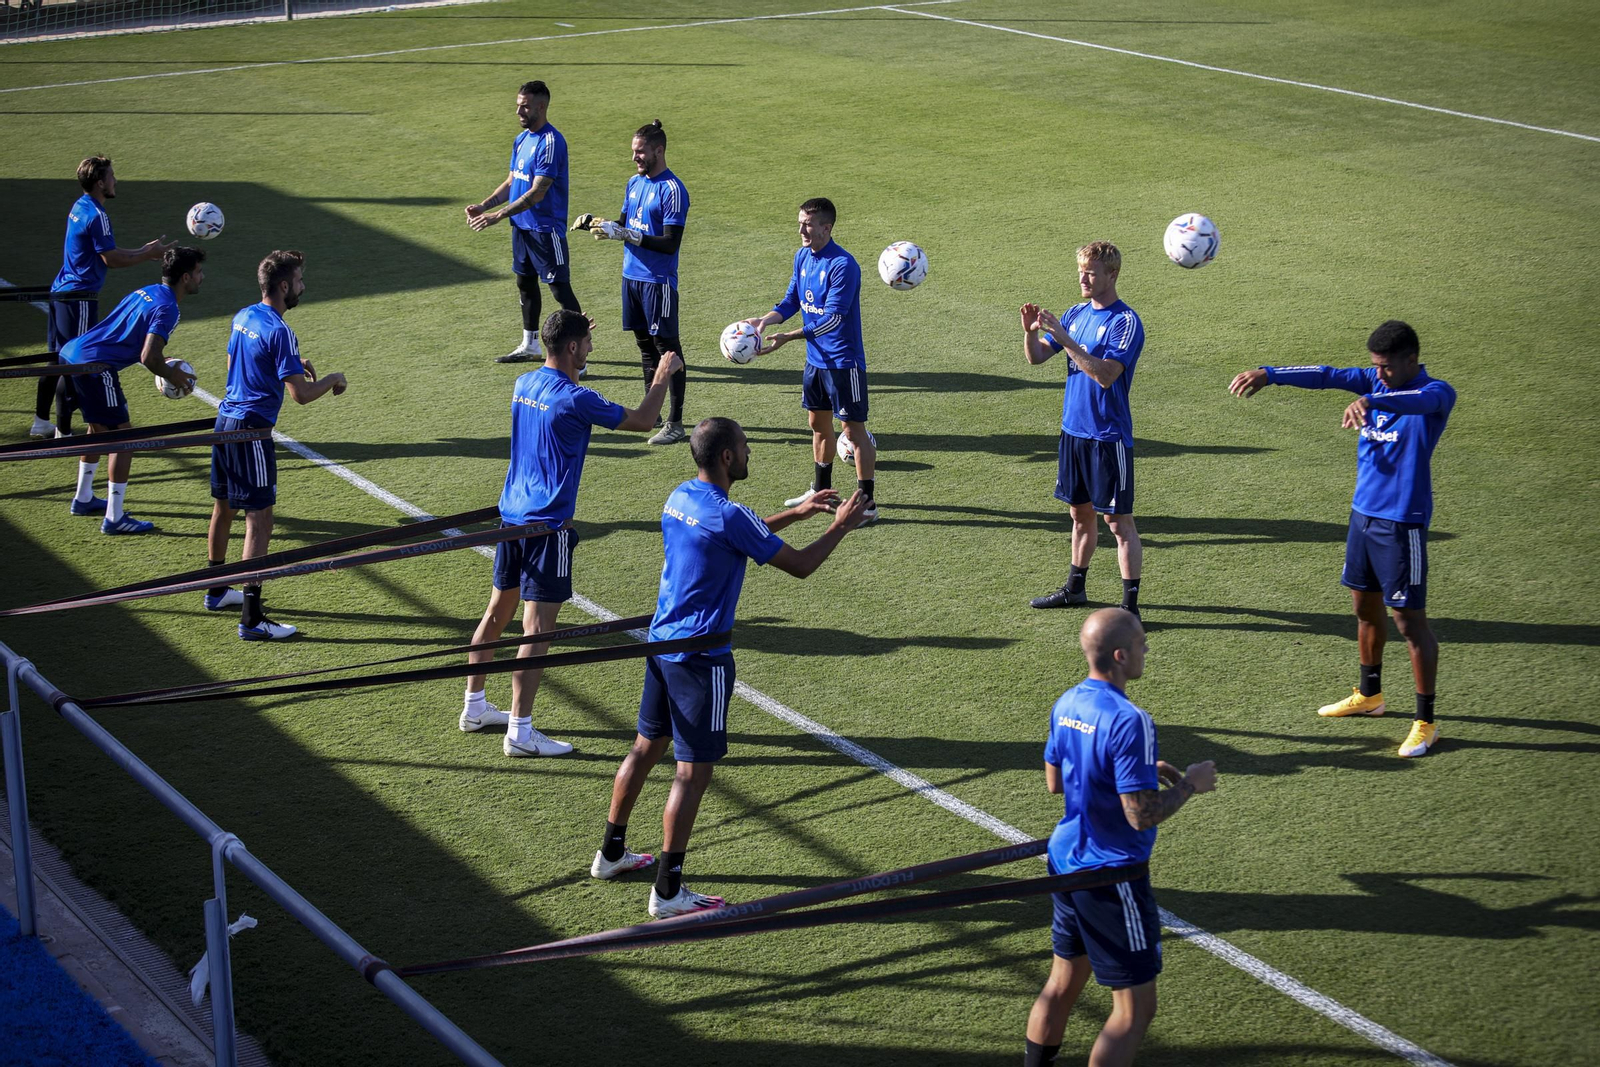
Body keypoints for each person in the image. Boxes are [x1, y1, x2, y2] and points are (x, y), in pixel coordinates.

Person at [592, 417, 866, 916]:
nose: (748, 453)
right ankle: (669, 891)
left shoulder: (680, 496)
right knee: (690, 775)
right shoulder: (730, 515)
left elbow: (734, 533)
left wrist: (798, 512)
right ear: (725, 457)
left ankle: (610, 853)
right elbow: (801, 566)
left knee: (644, 747)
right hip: (702, 658)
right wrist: (838, 526)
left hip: (662, 644)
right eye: (743, 447)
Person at [460, 308, 683, 757]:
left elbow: (561, 365)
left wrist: (570, 341)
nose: (592, 349)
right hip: (548, 527)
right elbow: (642, 420)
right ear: (573, 347)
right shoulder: (576, 399)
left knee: (496, 612)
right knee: (536, 630)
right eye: (586, 344)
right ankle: (520, 732)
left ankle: (475, 706)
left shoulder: (524, 384)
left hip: (512, 520)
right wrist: (662, 373)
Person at [1228, 320, 1456, 757]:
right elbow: (1327, 374)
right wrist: (1269, 372)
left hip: (1401, 524)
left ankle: (1426, 722)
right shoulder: (1373, 379)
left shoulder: (1437, 393)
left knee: (1410, 624)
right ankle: (1370, 696)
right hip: (1362, 518)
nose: (1380, 373)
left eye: (1387, 367)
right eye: (1375, 367)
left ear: (1412, 360)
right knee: (1363, 607)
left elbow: (1420, 401)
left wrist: (1373, 398)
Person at [1026, 608, 1216, 1067]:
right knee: (1134, 1011)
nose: (1147, 650)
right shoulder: (1132, 719)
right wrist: (1190, 784)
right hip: (1111, 875)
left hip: (1065, 861)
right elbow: (1140, 816)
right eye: (1142, 643)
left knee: (1062, 984)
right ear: (1119, 654)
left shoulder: (1068, 701)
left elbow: (1056, 781)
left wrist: (1137, 771)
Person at [206, 250, 349, 641]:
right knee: (260, 520)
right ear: (284, 286)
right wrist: (334, 378)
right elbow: (300, 396)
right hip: (252, 431)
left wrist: (287, 360)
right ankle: (252, 619)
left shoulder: (244, 316)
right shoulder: (281, 331)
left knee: (224, 507)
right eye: (300, 280)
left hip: (225, 422)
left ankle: (217, 590)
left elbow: (240, 357)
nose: (303, 286)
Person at [1021, 241, 1146, 615]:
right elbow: (1038, 357)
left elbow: (1106, 375)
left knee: (1118, 522)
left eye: (1091, 272)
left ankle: (1130, 608)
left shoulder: (1125, 322)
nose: (1083, 278)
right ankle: (1075, 588)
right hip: (1073, 432)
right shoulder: (1075, 313)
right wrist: (1030, 332)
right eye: (1081, 270)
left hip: (1107, 437)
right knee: (1080, 515)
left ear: (1113, 274)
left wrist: (1064, 337)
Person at [745, 197, 878, 524]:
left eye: (808, 224)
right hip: (815, 363)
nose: (801, 230)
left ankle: (867, 505)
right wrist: (764, 321)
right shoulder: (803, 256)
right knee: (818, 426)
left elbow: (833, 319)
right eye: (800, 223)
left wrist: (789, 337)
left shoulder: (843, 265)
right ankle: (822, 492)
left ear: (826, 227)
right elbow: (792, 300)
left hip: (843, 364)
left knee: (854, 431)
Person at [59, 247, 202, 535]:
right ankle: (114, 518)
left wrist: (163, 359)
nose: (202, 277)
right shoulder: (168, 308)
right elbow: (148, 358)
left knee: (97, 429)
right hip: (95, 367)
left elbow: (134, 337)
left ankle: (83, 498)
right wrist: (173, 374)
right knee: (125, 439)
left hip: (72, 354)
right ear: (185, 277)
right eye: (199, 272)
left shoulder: (147, 291)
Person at [36, 155, 174, 438]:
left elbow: (106, 252)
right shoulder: (98, 216)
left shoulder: (80, 206)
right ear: (100, 182)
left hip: (61, 291)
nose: (115, 180)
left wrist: (143, 250)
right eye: (111, 176)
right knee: (78, 360)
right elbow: (110, 259)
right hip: (79, 297)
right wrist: (147, 254)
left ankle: (41, 420)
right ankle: (64, 432)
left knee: (56, 358)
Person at [585, 119, 690, 445]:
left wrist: (628, 234)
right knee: (645, 347)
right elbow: (623, 223)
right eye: (633, 152)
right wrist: (599, 224)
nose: (635, 158)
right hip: (631, 277)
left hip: (657, 282)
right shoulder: (634, 183)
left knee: (668, 351)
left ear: (659, 151)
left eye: (640, 152)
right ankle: (651, 412)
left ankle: (675, 422)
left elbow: (670, 242)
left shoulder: (673, 190)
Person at [465, 81, 583, 365]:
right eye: (518, 104)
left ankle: (581, 357)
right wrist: (485, 204)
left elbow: (537, 191)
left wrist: (498, 215)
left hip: (545, 229)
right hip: (522, 228)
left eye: (525, 105)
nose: (518, 110)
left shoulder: (551, 142)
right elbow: (512, 181)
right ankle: (529, 345)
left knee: (560, 290)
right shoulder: (521, 140)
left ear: (541, 107)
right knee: (525, 284)